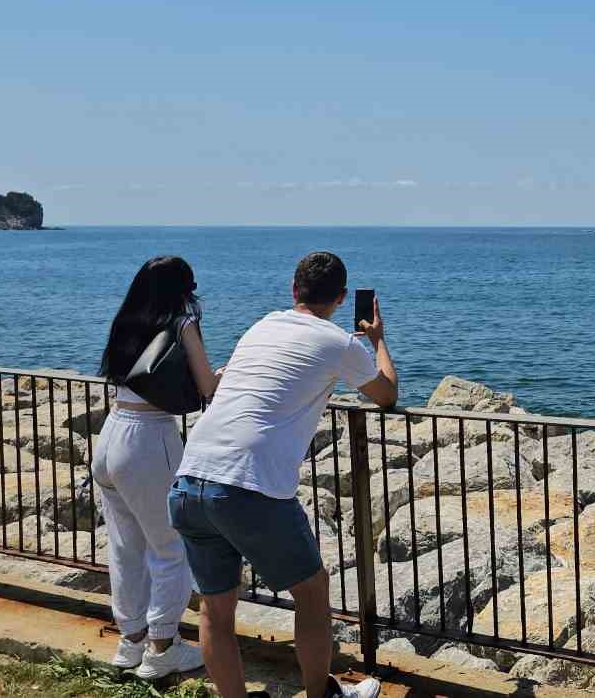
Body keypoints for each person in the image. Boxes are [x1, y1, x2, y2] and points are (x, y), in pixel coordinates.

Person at [169, 251, 398, 698]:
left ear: (294, 291)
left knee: (216, 610)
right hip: (247, 485)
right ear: (342, 298)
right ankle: (321, 694)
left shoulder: (261, 326)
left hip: (189, 478)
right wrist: (378, 341)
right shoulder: (339, 342)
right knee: (312, 590)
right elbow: (386, 395)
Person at [95, 256, 218, 680]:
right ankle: (163, 648)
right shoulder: (182, 323)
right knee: (172, 547)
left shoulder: (127, 320)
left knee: (125, 547)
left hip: (111, 432)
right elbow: (208, 388)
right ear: (183, 289)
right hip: (149, 439)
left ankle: (130, 642)